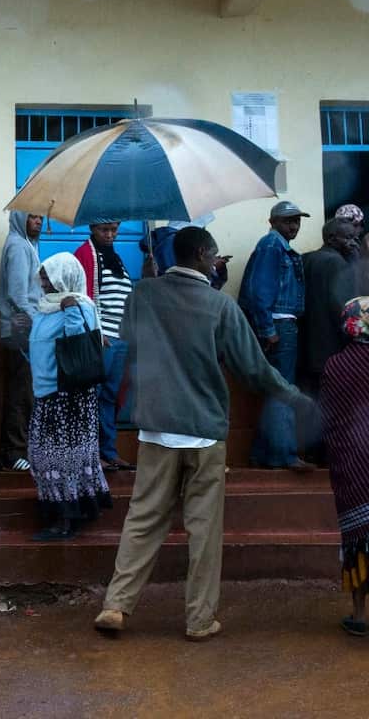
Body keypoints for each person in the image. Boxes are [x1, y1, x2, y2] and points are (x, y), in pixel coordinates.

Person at [94, 227, 310, 641]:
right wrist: (293, 396)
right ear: (198, 255)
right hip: (204, 432)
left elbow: (128, 341)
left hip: (155, 428)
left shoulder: (143, 294)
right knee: (204, 531)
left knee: (142, 520)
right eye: (213, 257)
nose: (216, 263)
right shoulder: (219, 307)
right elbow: (252, 368)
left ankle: (117, 605)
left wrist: (151, 288)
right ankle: (199, 620)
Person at [26, 255, 111, 541]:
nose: (45, 283)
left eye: (50, 277)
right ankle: (60, 513)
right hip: (46, 394)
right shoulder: (44, 309)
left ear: (65, 277)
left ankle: (66, 519)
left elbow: (79, 343)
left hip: (69, 397)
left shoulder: (79, 305)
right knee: (42, 458)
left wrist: (72, 309)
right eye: (44, 277)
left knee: (64, 459)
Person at [239, 201, 313, 472]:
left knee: (275, 389)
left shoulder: (276, 245)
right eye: (287, 221)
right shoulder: (272, 245)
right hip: (279, 327)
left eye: (297, 221)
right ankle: (284, 454)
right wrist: (268, 330)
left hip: (279, 325)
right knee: (282, 391)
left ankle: (262, 453)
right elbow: (260, 292)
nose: (294, 226)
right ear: (273, 222)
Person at [319, 297, 369, 637]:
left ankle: (359, 614)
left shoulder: (334, 366)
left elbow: (328, 418)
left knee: (359, 539)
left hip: (351, 464)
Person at [73, 220, 135, 471]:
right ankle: (90, 454)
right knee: (93, 397)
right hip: (101, 339)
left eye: (114, 230)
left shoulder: (116, 259)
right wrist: (94, 330)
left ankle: (108, 452)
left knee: (109, 397)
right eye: (104, 230)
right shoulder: (85, 254)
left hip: (120, 338)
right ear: (92, 230)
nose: (110, 235)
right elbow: (81, 295)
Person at [300, 218, 360, 462]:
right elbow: (346, 309)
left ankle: (313, 451)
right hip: (330, 347)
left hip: (305, 345)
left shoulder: (307, 259)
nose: (353, 241)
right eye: (347, 237)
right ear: (331, 238)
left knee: (311, 400)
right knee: (332, 403)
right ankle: (326, 453)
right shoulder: (338, 264)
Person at [0, 211, 43, 472]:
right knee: (21, 393)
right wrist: (41, 325)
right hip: (21, 331)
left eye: (40, 218)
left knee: (28, 392)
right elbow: (18, 296)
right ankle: (13, 453)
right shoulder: (17, 246)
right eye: (32, 217)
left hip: (28, 329)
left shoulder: (28, 246)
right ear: (19, 218)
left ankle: (20, 449)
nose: (38, 221)